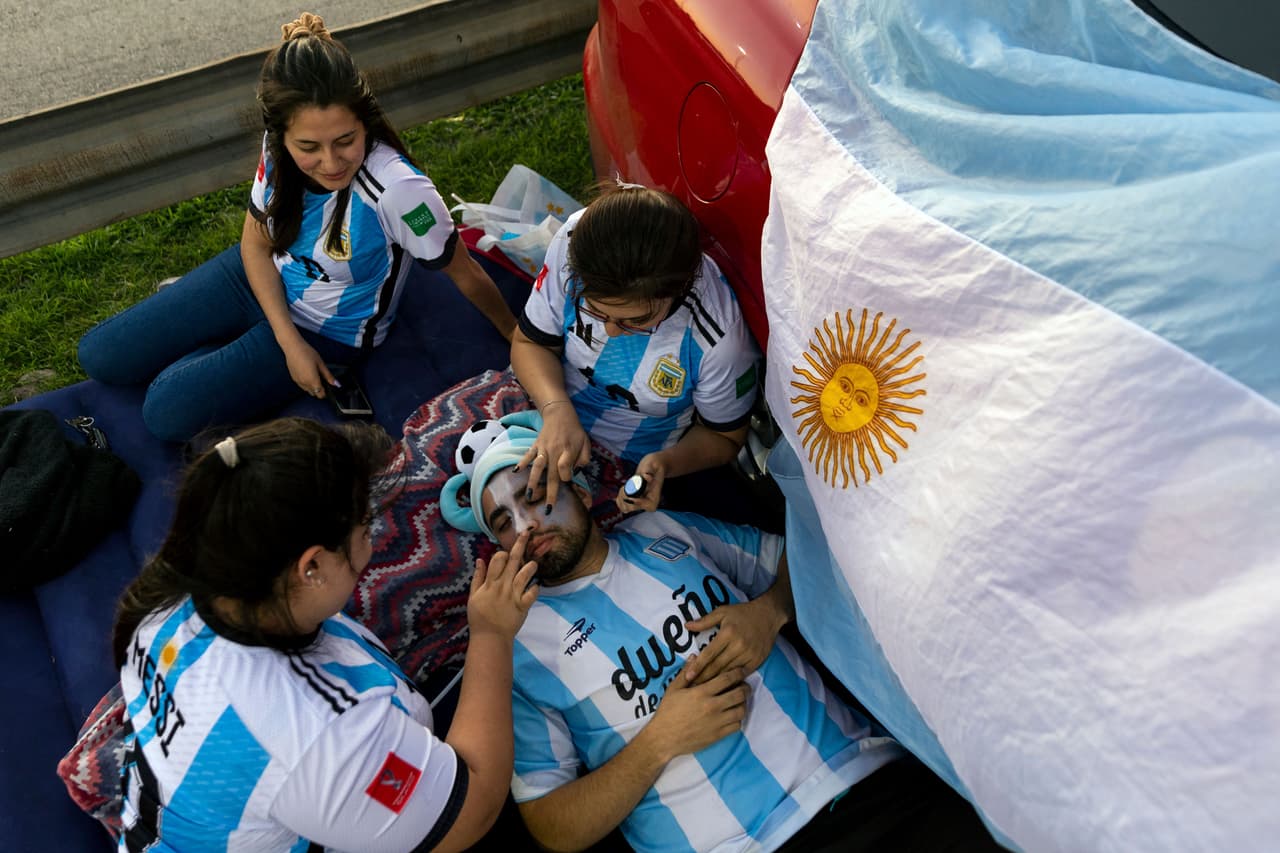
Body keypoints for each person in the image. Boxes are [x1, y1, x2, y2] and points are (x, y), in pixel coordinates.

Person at [445, 416, 1004, 852]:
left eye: (532, 493)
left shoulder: (662, 529)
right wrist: (660, 741)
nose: (525, 526)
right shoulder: (514, 646)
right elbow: (550, 826)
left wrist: (771, 610)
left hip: (868, 784)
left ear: (580, 489)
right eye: (502, 522)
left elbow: (805, 552)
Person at [78, 13, 517, 443]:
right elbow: (254, 245)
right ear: (282, 136)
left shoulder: (403, 193)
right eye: (309, 146)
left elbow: (464, 271)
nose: (331, 162)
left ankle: (219, 348)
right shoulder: (276, 153)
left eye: (345, 140)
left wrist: (514, 334)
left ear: (365, 121)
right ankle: (225, 341)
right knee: (100, 355)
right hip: (260, 277)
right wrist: (288, 346)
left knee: (164, 411)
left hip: (328, 328)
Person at [112, 417, 538, 852]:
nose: (372, 543)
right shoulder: (314, 734)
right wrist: (490, 635)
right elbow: (472, 811)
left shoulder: (180, 587)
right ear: (310, 567)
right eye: (365, 528)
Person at [510, 183, 763, 518]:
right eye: (595, 311)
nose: (611, 332)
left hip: (625, 462)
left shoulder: (719, 341)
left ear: (680, 289)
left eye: (636, 321)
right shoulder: (574, 240)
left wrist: (664, 463)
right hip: (537, 401)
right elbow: (529, 342)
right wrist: (556, 409)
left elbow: (724, 438)